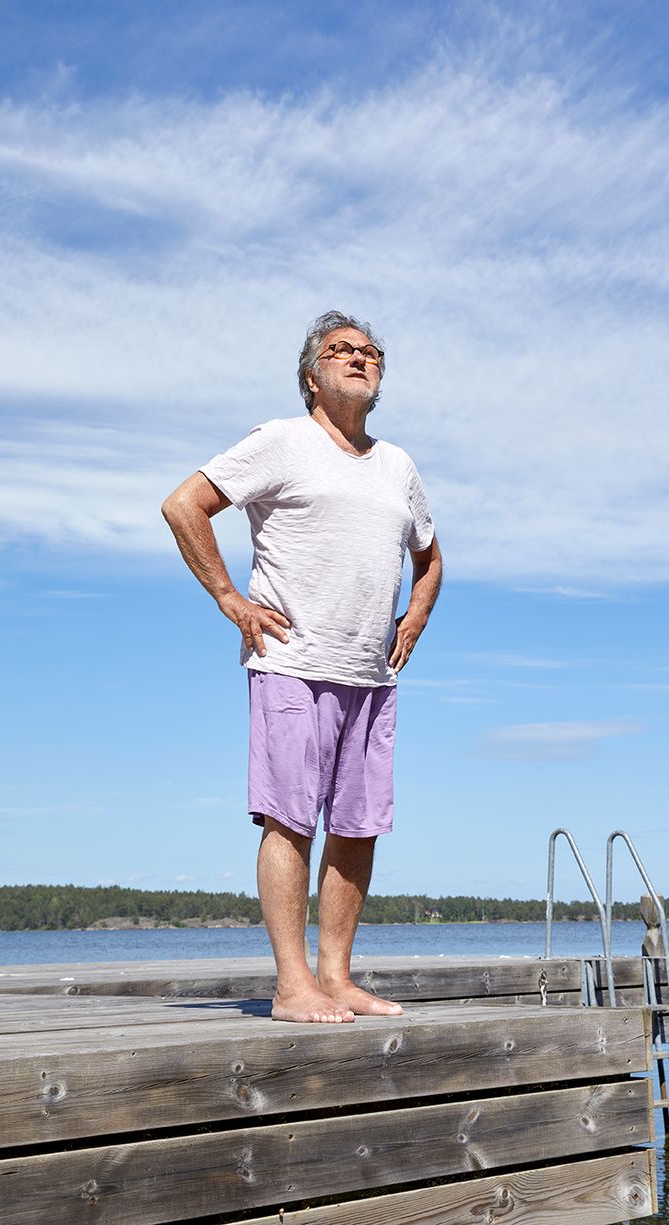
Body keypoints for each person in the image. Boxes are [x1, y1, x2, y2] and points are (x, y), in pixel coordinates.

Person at [162, 311, 442, 1024]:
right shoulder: (281, 441)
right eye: (340, 350)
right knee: (290, 821)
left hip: (370, 675)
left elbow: (430, 557)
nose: (358, 359)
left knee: (357, 825)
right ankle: (293, 985)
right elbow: (184, 504)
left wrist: (413, 617)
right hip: (291, 662)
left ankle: (337, 977)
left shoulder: (397, 466)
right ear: (312, 374)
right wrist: (229, 596)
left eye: (370, 352)